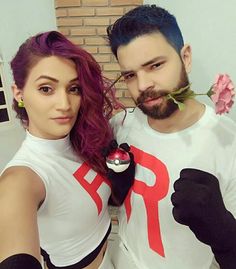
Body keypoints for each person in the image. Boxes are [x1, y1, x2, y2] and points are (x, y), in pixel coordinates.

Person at [106, 4, 236, 269]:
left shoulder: (228, 142)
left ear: (185, 56)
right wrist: (114, 191)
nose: (143, 85)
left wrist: (226, 236)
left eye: (155, 65)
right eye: (130, 75)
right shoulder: (120, 126)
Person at [0, 31, 135, 269]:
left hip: (112, 257)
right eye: (46, 89)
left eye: (73, 89)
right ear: (19, 93)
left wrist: (119, 182)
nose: (64, 105)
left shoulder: (81, 141)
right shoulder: (21, 179)